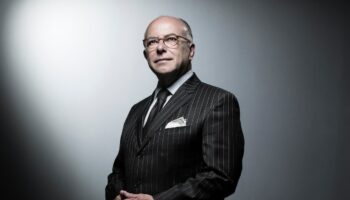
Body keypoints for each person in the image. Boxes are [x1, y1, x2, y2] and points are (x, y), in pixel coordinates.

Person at [105, 16, 244, 200]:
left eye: (171, 39)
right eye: (152, 42)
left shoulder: (217, 101)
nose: (160, 48)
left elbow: (221, 176)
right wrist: (116, 195)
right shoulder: (136, 110)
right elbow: (118, 171)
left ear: (191, 50)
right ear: (146, 54)